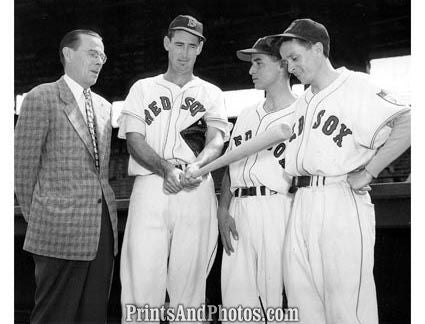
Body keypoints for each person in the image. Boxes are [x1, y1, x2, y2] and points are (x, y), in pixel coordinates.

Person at [263, 18, 411, 323]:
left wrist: (370, 171)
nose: (290, 68)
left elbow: (409, 123)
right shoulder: (304, 100)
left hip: (339, 198)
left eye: (295, 58)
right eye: (286, 61)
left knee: (346, 307)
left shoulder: (356, 84)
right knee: (303, 305)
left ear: (317, 49)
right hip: (301, 201)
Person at [117, 15, 229, 322]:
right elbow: (134, 141)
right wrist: (167, 170)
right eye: (179, 44)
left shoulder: (211, 92)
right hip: (152, 182)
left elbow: (217, 139)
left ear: (200, 49)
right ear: (167, 44)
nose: (184, 52)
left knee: (190, 281)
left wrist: (198, 165)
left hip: (195, 183)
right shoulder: (142, 88)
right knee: (142, 276)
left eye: (192, 46)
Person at [14, 29, 118, 324]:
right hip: (57, 231)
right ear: (68, 55)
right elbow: (23, 169)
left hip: (102, 230)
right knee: (54, 316)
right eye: (93, 53)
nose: (100, 61)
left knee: (94, 315)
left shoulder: (105, 107)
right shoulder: (41, 97)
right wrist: (44, 221)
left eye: (103, 55)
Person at [218, 37, 296, 322]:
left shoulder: (302, 112)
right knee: (236, 304)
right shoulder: (246, 115)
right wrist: (223, 208)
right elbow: (230, 166)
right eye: (251, 63)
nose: (251, 70)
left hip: (277, 207)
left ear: (283, 64)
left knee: (277, 300)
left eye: (259, 62)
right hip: (238, 209)